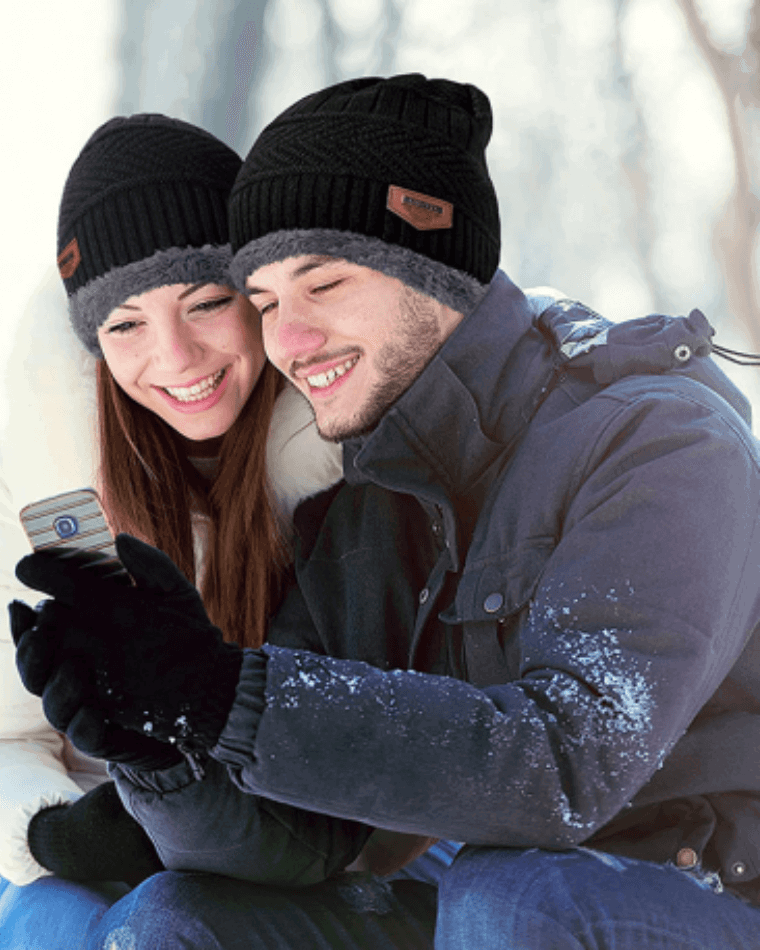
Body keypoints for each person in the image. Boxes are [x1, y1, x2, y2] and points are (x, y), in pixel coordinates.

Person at [12, 73, 760, 949]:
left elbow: (566, 762)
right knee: (175, 922)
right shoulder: (362, 502)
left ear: (435, 266)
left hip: (702, 892)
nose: (287, 342)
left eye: (321, 283)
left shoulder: (656, 440)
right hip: (475, 892)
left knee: (507, 902)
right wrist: (160, 743)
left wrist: (225, 692)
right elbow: (300, 839)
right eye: (263, 303)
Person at [3, 113, 439, 949]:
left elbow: (363, 791)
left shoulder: (352, 475)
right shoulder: (45, 485)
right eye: (125, 324)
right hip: (106, 830)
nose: (174, 357)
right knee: (52, 922)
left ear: (261, 296)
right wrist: (55, 827)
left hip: (331, 851)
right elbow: (9, 733)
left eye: (205, 302)